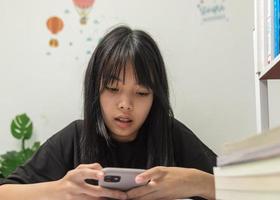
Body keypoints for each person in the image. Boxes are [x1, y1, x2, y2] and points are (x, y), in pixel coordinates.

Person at [0, 25, 216, 199]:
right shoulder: (76, 136)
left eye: (141, 92)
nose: (125, 104)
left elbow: (246, 189)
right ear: (96, 89)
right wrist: (61, 190)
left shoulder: (170, 134)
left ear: (155, 96)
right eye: (113, 89)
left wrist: (196, 182)